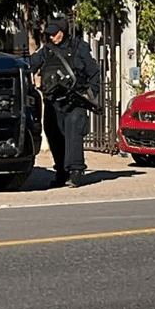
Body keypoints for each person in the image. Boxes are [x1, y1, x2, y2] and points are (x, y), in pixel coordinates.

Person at [28, 15, 100, 188]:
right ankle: (61, 171)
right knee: (53, 134)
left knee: (73, 131)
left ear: (63, 32)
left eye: (55, 34)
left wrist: (90, 94)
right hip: (53, 101)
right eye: (50, 34)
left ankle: (76, 171)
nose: (52, 37)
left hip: (74, 100)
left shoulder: (79, 47)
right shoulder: (47, 50)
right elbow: (31, 64)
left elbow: (94, 72)